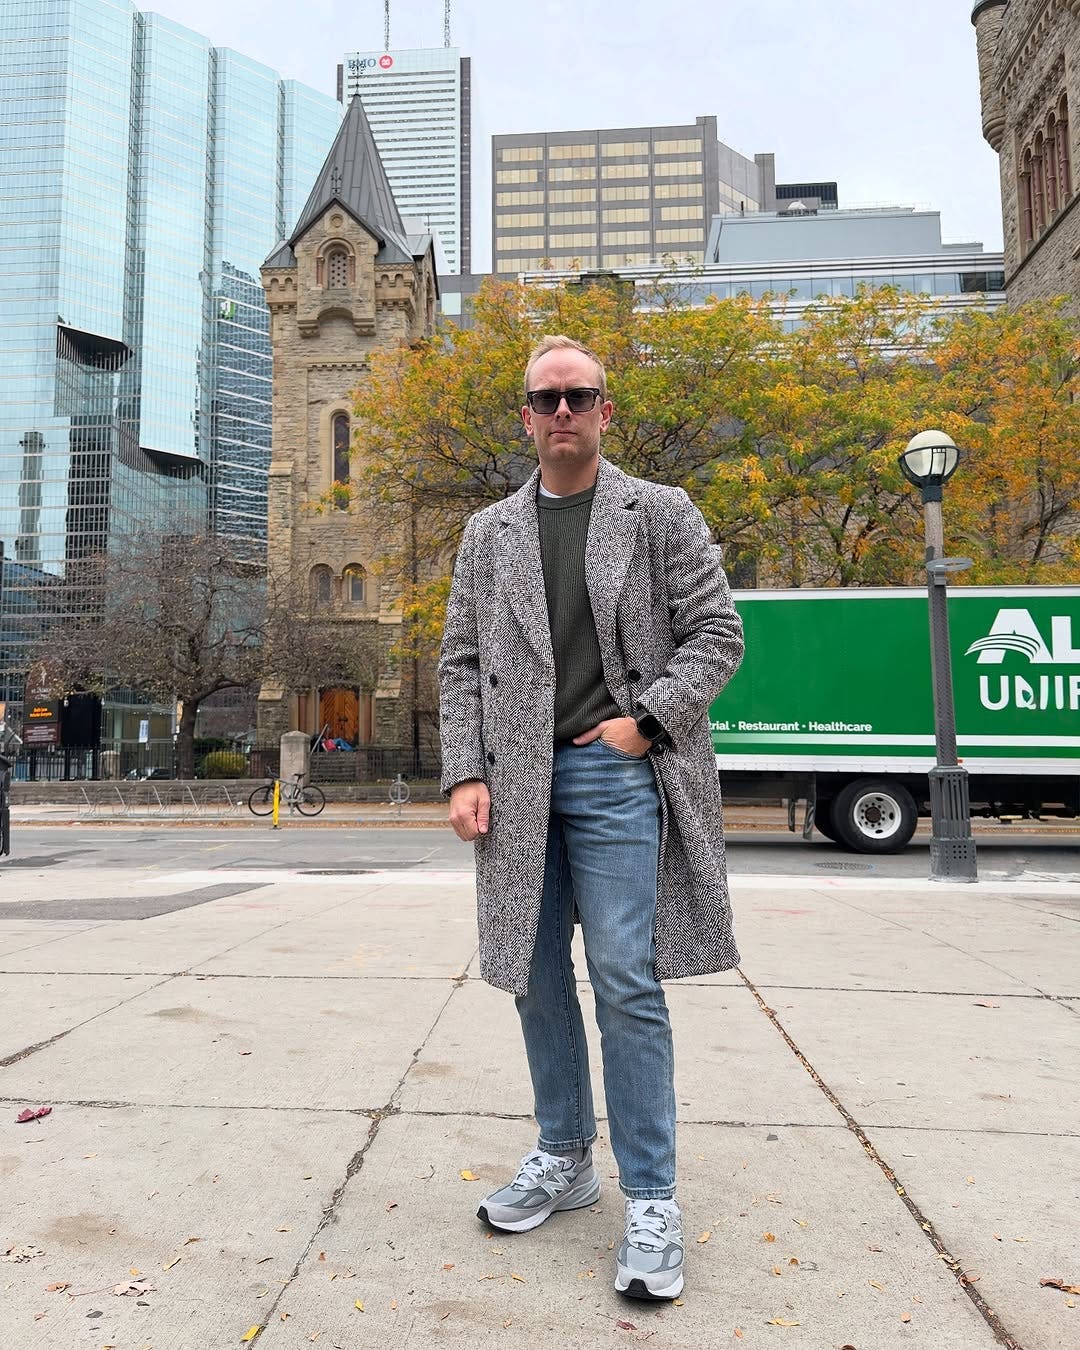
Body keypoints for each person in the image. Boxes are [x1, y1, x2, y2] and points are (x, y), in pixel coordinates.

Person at [438, 334, 745, 1301]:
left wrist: (645, 722)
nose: (563, 412)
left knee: (624, 978)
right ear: (526, 418)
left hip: (618, 776)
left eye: (580, 397)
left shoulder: (658, 513)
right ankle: (564, 1155)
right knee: (534, 975)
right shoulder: (489, 533)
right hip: (515, 784)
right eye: (546, 398)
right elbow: (458, 664)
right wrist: (463, 773)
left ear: (607, 412)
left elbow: (718, 635)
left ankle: (650, 1197)